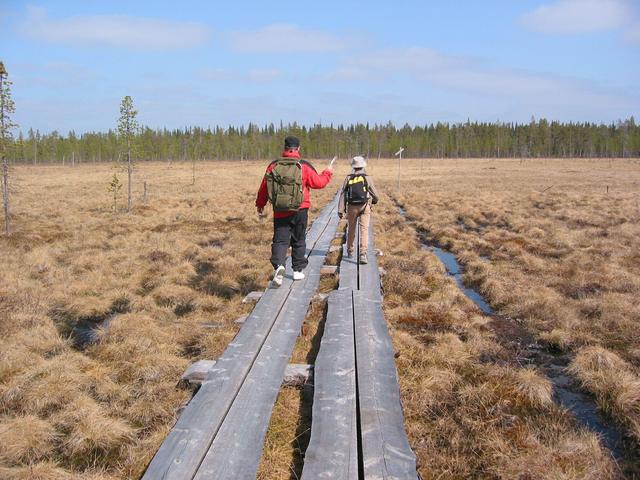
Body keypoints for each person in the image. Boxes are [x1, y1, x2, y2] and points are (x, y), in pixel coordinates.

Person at [256, 136, 334, 286]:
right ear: (298, 148)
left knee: (280, 240)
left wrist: (260, 204)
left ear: (284, 148)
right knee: (299, 239)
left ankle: (279, 266)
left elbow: (264, 187)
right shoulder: (303, 166)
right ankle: (298, 271)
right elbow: (319, 183)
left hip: (280, 210)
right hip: (300, 209)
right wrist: (328, 172)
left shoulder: (273, 165)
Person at [338, 156, 379, 264]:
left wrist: (340, 210)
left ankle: (350, 250)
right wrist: (374, 201)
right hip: (365, 206)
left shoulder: (348, 178)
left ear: (354, 167)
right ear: (362, 166)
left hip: (352, 207)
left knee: (351, 229)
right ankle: (363, 254)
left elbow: (343, 194)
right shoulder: (367, 178)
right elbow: (375, 194)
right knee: (364, 230)